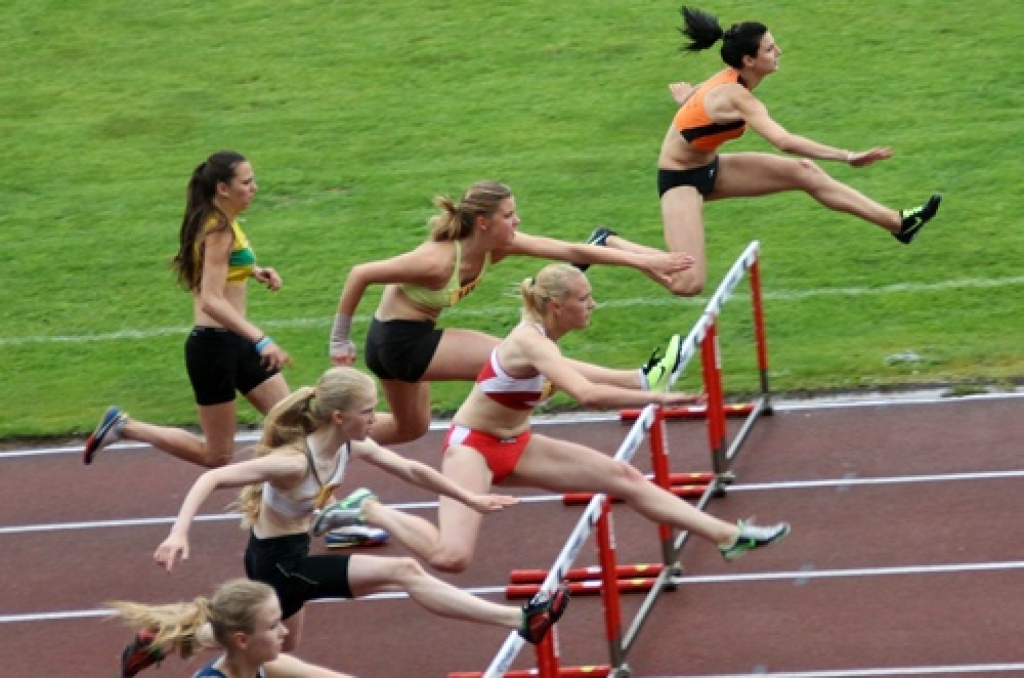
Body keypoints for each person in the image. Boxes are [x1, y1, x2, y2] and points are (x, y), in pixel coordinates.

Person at [320, 263, 790, 574]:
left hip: (518, 443)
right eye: (585, 299)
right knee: (452, 557)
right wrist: (659, 401)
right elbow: (584, 393)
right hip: (473, 449)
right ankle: (368, 508)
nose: (593, 305)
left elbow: (577, 373)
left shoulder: (544, 343)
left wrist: (640, 381)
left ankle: (728, 536)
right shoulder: (529, 342)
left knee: (623, 476)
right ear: (555, 306)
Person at [151, 366, 569, 653]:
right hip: (277, 563)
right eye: (368, 412)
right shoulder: (295, 462)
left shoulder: (351, 443)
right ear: (339, 416)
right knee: (402, 571)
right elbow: (212, 477)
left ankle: (165, 642)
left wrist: (470, 499)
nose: (376, 418)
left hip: (291, 553)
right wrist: (178, 532)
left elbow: (410, 468)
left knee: (283, 643)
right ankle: (519, 620)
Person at [592, 6, 942, 297]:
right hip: (680, 181)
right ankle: (608, 244)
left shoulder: (730, 81)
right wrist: (848, 156)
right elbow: (784, 141)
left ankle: (898, 223)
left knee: (803, 172)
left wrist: (686, 100)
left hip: (711, 168)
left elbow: (700, 104)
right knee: (688, 283)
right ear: (749, 59)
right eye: (771, 49)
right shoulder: (737, 96)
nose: (779, 53)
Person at [329, 179, 695, 446]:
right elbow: (360, 273)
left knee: (409, 429)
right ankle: (640, 380)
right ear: (484, 223)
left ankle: (325, 431)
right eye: (509, 215)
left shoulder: (498, 247)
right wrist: (339, 339)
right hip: (401, 343)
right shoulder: (437, 262)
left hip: (398, 342)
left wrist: (647, 260)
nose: (517, 222)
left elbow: (571, 249)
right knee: (519, 354)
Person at [84, 150, 292, 469]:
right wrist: (261, 339)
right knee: (217, 455)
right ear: (223, 188)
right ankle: (125, 427)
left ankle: (300, 507)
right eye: (247, 182)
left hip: (235, 340)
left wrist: (254, 270)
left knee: (294, 426)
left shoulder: (219, 221)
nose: (255, 188)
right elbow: (211, 299)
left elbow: (219, 265)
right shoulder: (218, 228)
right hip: (214, 347)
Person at [110, 578, 357, 678]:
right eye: (272, 626)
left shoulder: (266, 666)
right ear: (241, 640)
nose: (285, 631)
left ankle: (172, 639)